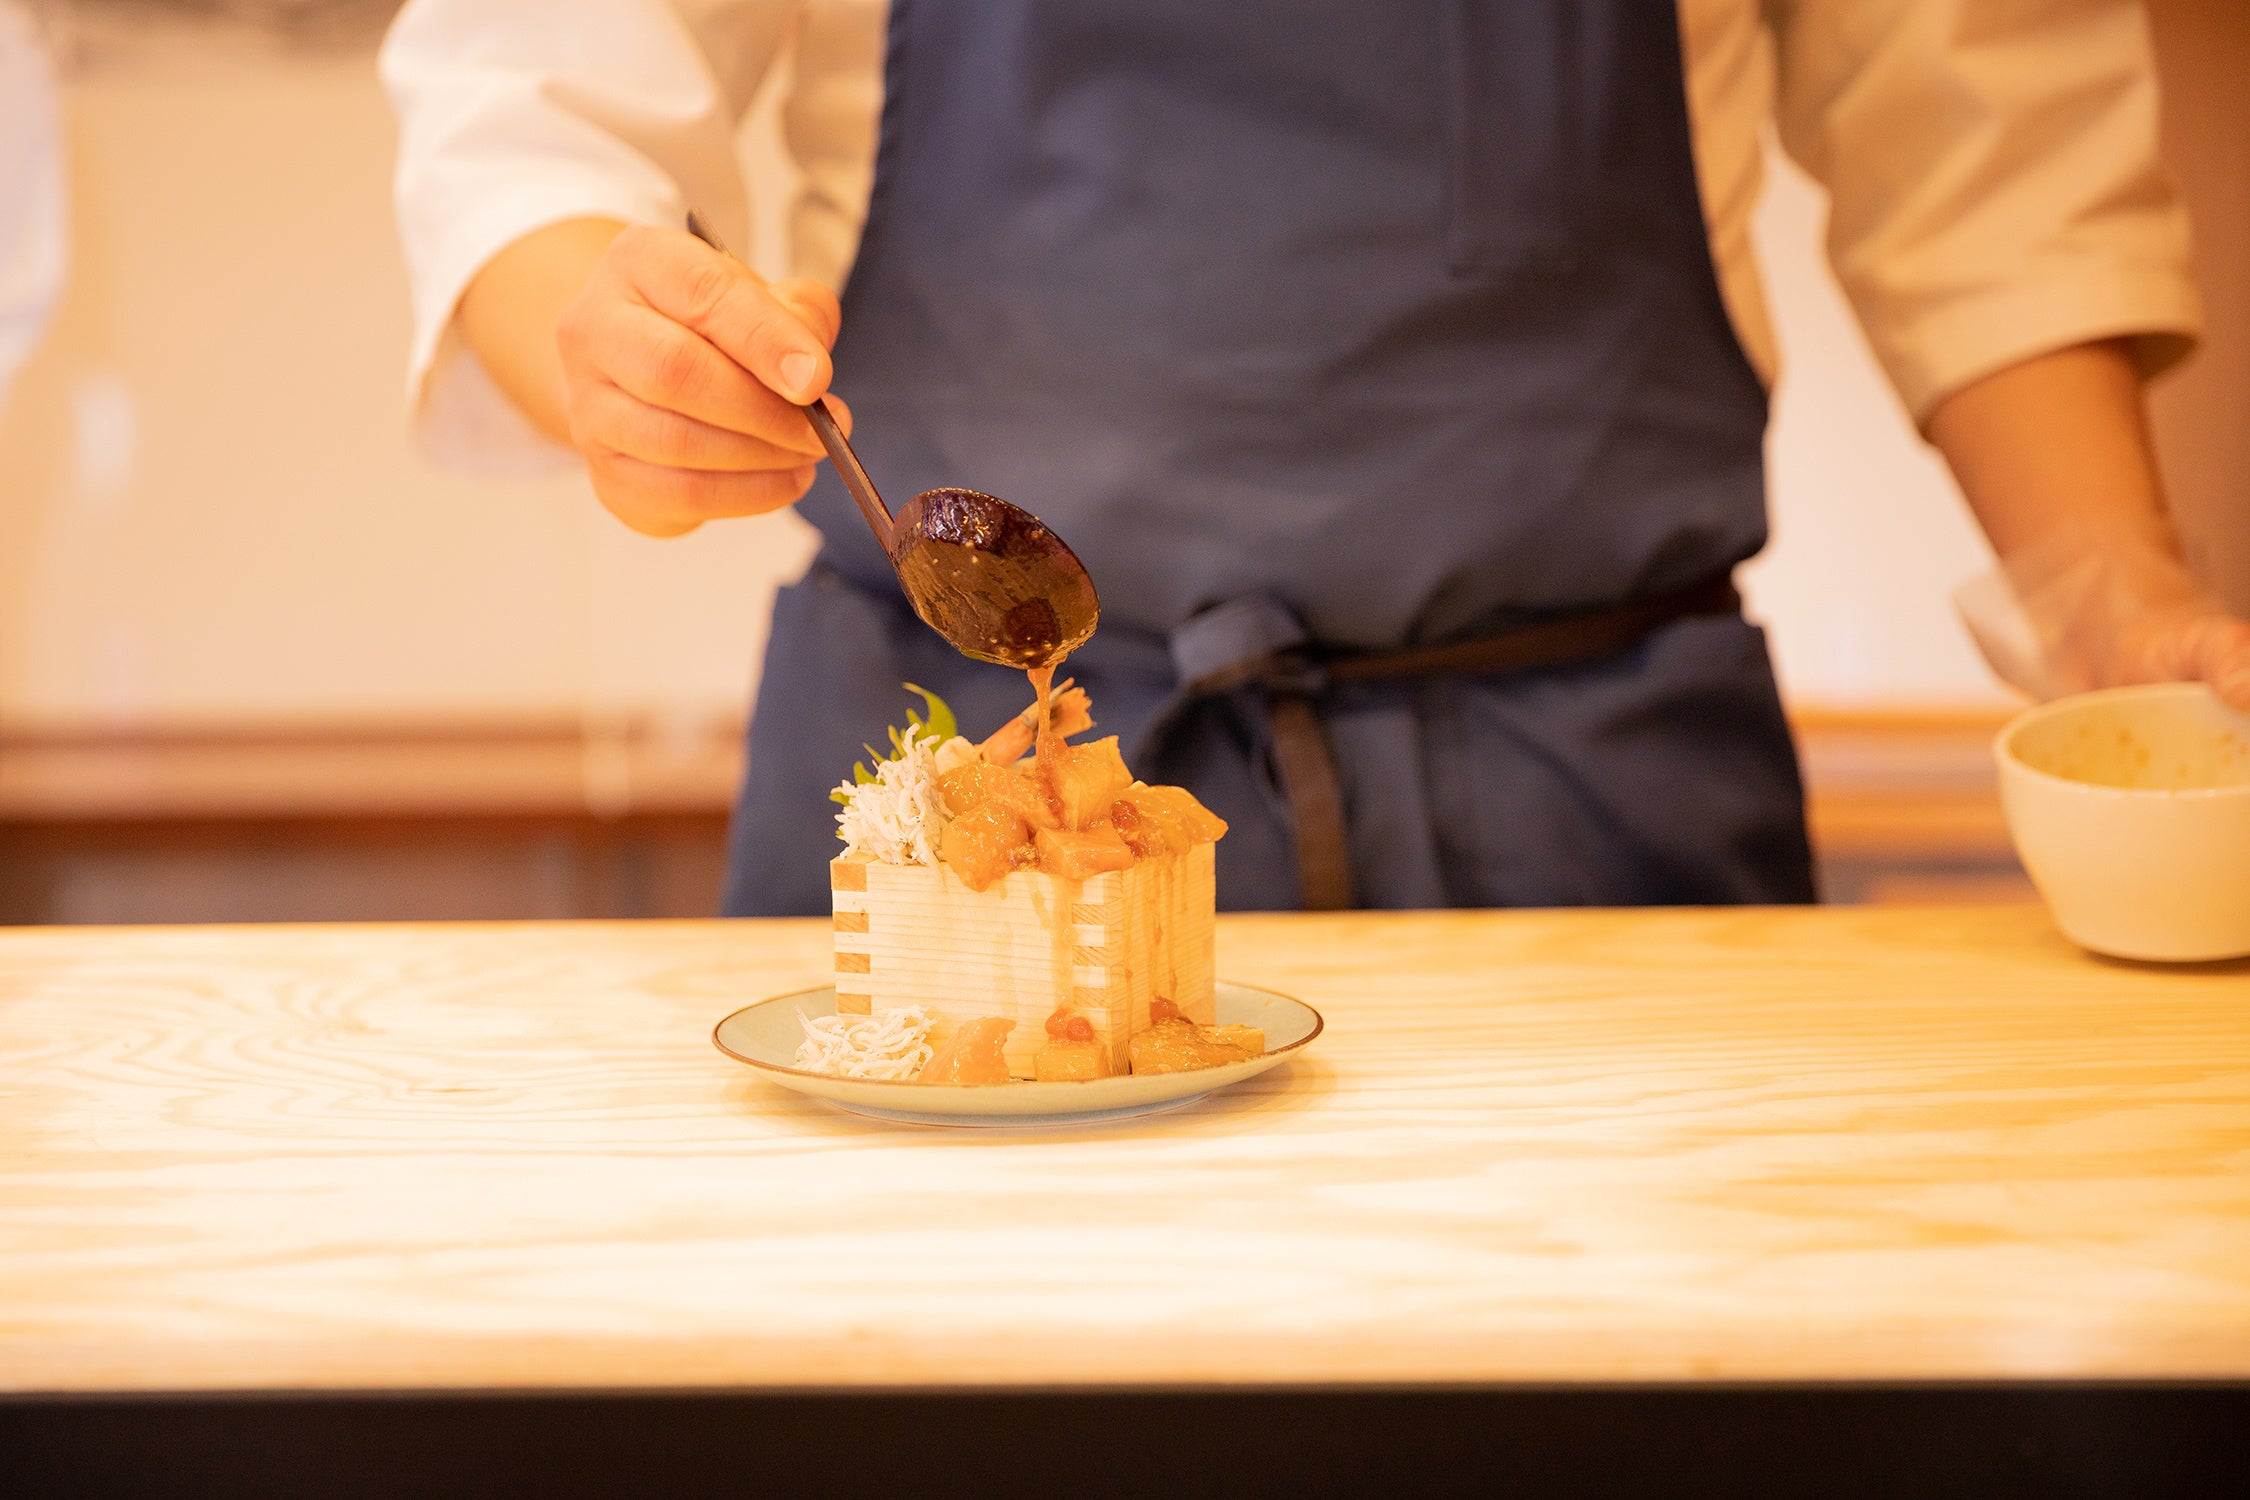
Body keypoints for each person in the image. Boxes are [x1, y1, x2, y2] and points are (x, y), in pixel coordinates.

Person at [381, 0, 2250, 916]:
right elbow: (522, 108)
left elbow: (1978, 115)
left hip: (1584, 835)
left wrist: (2106, 583)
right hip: (957, 837)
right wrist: (620, 355)